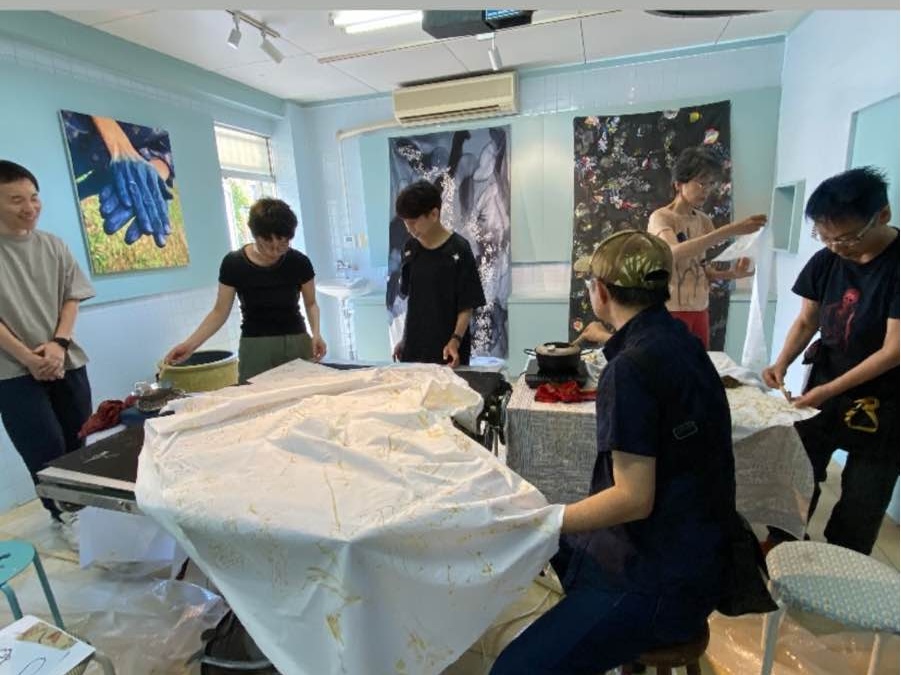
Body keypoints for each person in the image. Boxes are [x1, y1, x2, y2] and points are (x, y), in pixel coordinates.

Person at [491, 231, 735, 674]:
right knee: (548, 543)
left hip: (660, 580)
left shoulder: (631, 369)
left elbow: (633, 498)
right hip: (699, 554)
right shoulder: (680, 341)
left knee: (513, 669)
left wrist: (548, 518)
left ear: (600, 292)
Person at [762, 167, 898, 555]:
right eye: (825, 237)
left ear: (882, 215)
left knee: (865, 492)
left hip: (886, 395)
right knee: (800, 469)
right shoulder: (827, 261)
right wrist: (782, 362)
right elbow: (808, 320)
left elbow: (893, 351)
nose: (837, 248)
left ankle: (841, 560)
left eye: (847, 238)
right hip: (826, 377)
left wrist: (828, 390)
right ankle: (784, 545)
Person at [0, 160, 95, 523]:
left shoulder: (53, 245)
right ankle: (63, 516)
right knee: (44, 448)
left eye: (34, 197)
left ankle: (88, 513)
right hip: (12, 371)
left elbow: (72, 297)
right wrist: (28, 357)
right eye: (16, 200)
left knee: (79, 440)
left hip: (65, 360)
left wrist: (58, 344)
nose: (30, 207)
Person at [165, 198, 326, 383]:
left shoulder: (299, 262)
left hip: (296, 340)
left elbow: (311, 303)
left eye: (283, 244)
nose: (275, 250)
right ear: (255, 235)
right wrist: (190, 345)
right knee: (255, 397)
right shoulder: (234, 264)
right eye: (268, 243)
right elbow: (219, 312)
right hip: (255, 346)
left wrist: (316, 333)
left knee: (305, 394)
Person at [647, 146, 767, 348]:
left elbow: (702, 269)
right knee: (672, 363)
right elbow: (673, 252)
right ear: (679, 183)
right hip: (670, 309)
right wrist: (730, 230)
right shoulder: (661, 217)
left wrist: (733, 274)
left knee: (700, 361)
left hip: (700, 308)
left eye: (711, 184)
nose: (706, 190)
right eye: (701, 182)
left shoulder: (703, 221)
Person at [392, 180, 486, 368]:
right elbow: (415, 302)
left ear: (434, 214)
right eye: (405, 223)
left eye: (413, 222)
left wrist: (455, 340)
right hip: (415, 348)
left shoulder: (459, 249)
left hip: (448, 348)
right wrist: (405, 339)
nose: (409, 229)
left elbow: (467, 305)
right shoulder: (410, 249)